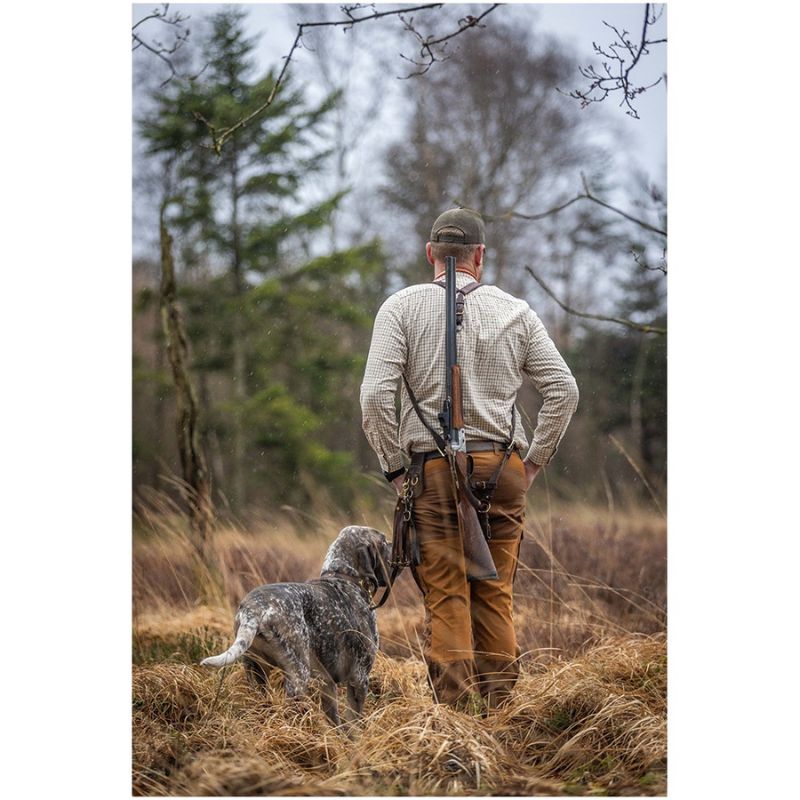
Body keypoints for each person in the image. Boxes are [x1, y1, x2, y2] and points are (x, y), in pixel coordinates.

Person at [360, 207, 578, 711]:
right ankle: (502, 713)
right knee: (495, 593)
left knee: (448, 596)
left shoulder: (400, 308)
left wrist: (395, 468)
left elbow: (374, 398)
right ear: (480, 255)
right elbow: (564, 390)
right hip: (504, 472)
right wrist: (533, 462)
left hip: (432, 473)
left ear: (430, 253)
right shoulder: (516, 312)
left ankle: (457, 723)